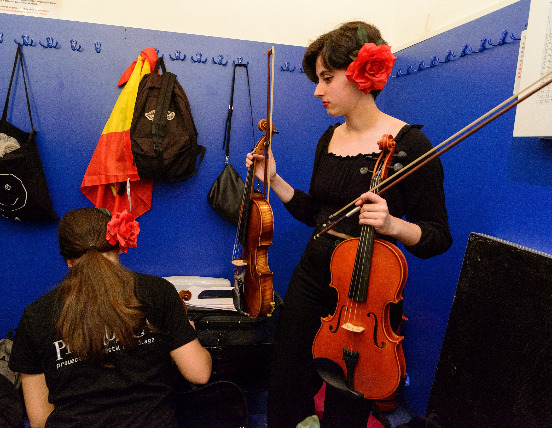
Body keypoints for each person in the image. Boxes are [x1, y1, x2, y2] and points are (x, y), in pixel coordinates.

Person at [246, 21, 453, 427]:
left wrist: (393, 224)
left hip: (368, 288)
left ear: (361, 74)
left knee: (350, 389)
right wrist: (274, 180)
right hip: (314, 273)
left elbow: (437, 236)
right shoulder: (329, 139)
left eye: (326, 78)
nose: (317, 91)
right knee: (286, 375)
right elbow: (316, 214)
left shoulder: (410, 145)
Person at [8, 208, 212, 428]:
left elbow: (39, 420)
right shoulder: (157, 292)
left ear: (68, 260)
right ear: (119, 245)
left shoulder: (36, 315)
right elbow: (199, 373)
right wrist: (185, 335)